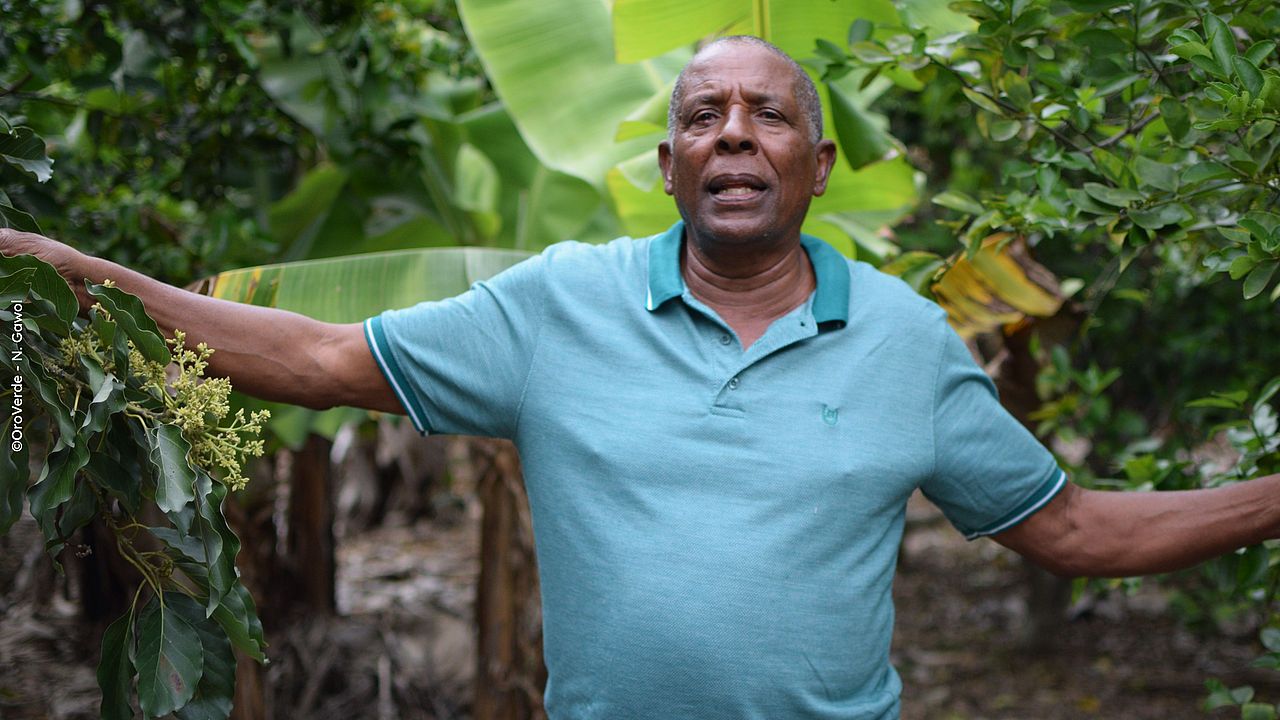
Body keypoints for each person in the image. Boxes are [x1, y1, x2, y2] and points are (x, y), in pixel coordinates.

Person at [3, 35, 1278, 720]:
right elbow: (324, 357)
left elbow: (1071, 526)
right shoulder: (560, 302)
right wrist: (69, 270)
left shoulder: (902, 342)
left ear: (818, 164)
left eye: (765, 115)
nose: (732, 133)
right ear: (667, 161)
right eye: (701, 115)